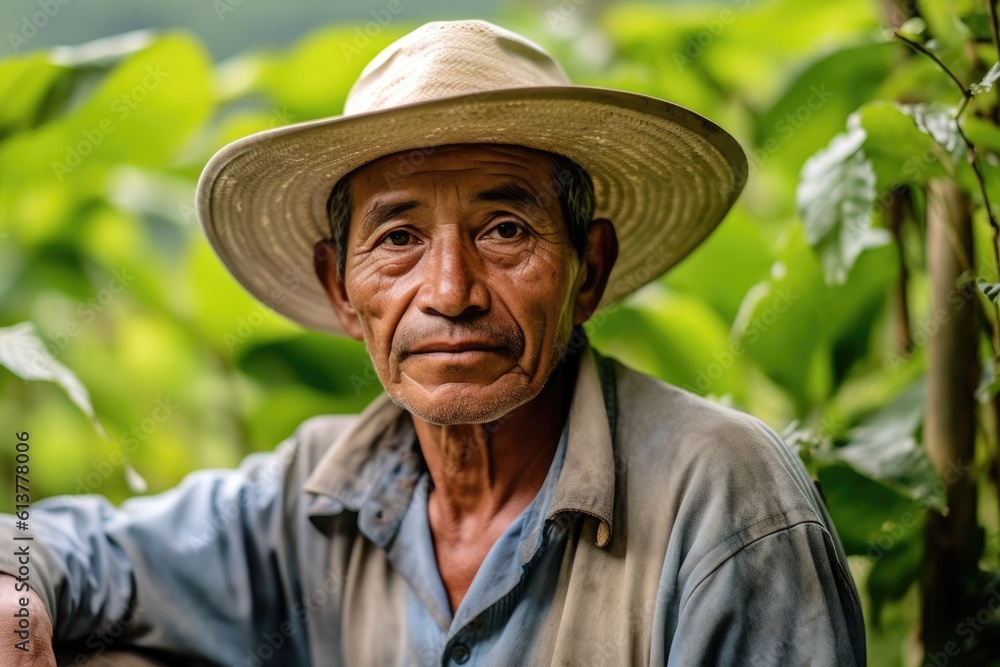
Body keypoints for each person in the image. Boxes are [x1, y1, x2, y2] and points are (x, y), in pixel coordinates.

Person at [0, 19, 865, 667]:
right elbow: (67, 543)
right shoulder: (317, 498)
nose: (449, 292)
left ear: (588, 271)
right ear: (343, 289)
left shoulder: (722, 499)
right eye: (399, 238)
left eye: (503, 229)